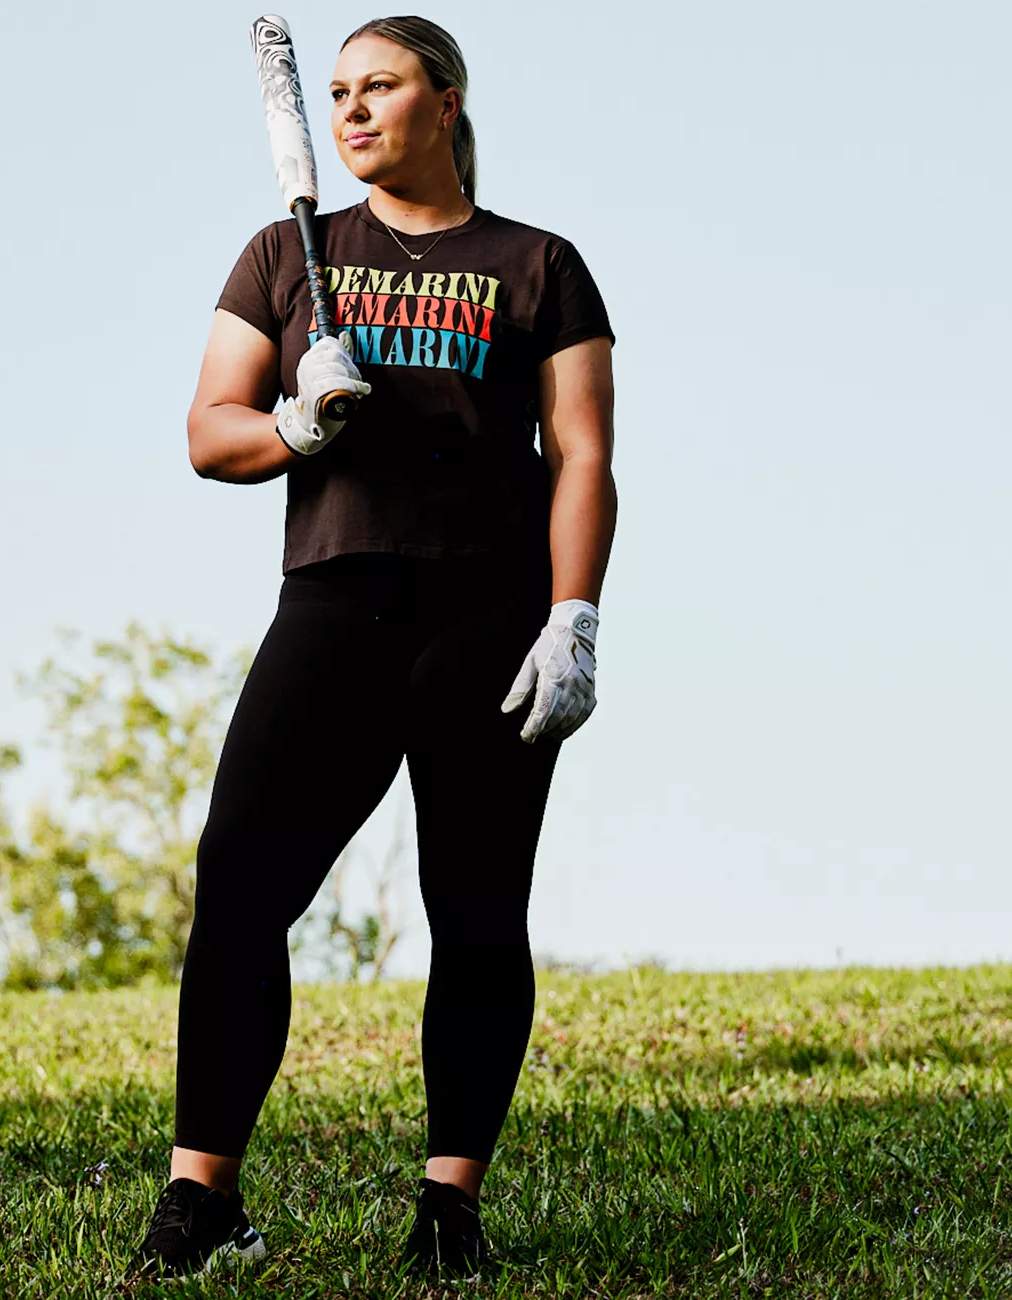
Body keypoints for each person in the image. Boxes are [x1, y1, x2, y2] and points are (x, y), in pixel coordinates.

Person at [128, 13, 615, 1284]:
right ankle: (200, 1198)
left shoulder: (537, 264)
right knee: (239, 884)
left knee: (475, 906)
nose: (348, 108)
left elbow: (581, 456)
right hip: (335, 604)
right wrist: (298, 425)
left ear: (444, 103)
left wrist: (573, 615)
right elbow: (209, 431)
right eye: (337, 90)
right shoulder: (284, 256)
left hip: (490, 614)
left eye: (379, 86)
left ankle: (449, 1206)